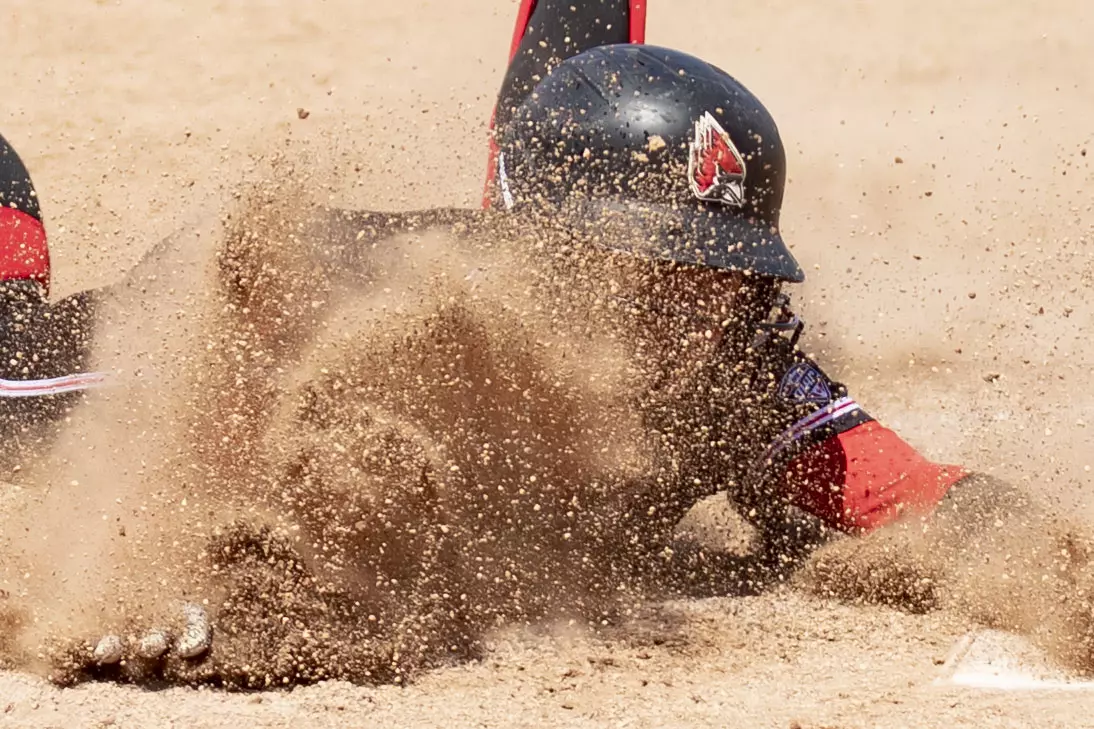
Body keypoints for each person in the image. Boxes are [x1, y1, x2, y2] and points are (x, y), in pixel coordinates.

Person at [3, 0, 1086, 681]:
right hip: (168, 338)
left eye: (719, 277)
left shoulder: (739, 370)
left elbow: (918, 496)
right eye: (648, 272)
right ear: (550, 256)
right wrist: (165, 577)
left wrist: (1062, 570)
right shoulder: (392, 323)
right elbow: (200, 474)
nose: (691, 314)